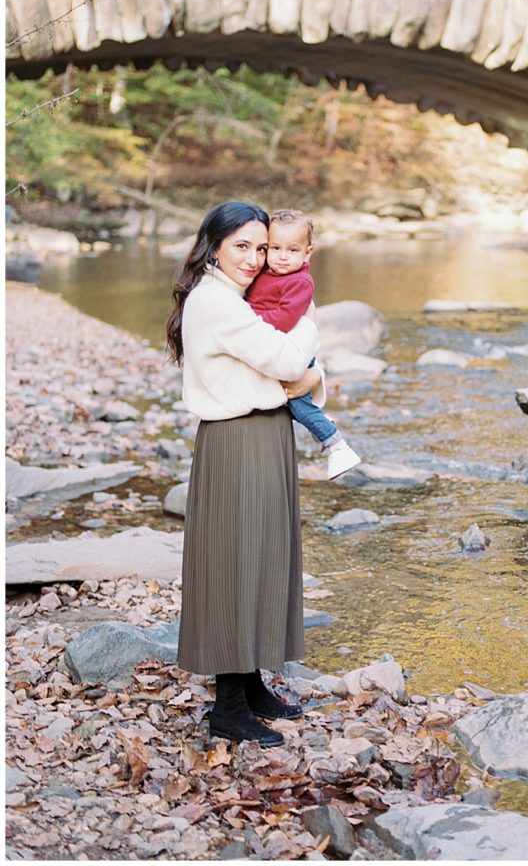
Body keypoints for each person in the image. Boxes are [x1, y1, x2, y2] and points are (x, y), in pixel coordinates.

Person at [166, 200, 323, 747]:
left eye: (262, 247)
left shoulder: (234, 297)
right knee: (236, 560)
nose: (256, 259)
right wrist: (311, 337)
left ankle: (251, 682)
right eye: (243, 246)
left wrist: (303, 368)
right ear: (213, 246)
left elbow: (284, 363)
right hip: (237, 442)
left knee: (261, 554)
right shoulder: (216, 302)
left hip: (262, 433)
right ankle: (228, 708)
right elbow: (286, 362)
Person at [245, 208, 361, 480]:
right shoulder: (266, 271)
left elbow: (284, 318)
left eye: (292, 250)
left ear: (308, 253)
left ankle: (335, 443)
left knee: (296, 401)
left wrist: (247, 318)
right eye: (275, 248)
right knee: (287, 402)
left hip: (293, 351)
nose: (283, 256)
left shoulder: (299, 282)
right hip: (276, 349)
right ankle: (322, 422)